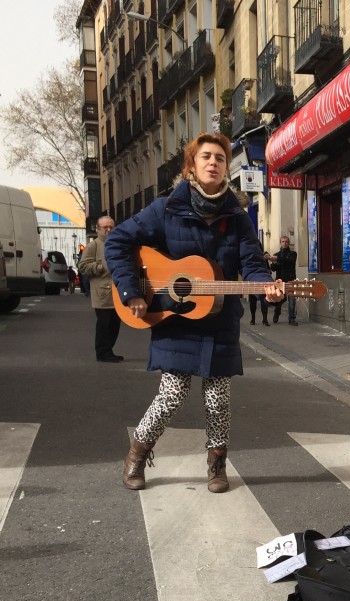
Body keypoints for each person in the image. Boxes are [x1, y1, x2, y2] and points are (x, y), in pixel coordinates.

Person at [105, 132, 283, 494]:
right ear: (193, 165)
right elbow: (118, 241)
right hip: (175, 316)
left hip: (220, 321)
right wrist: (130, 291)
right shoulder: (167, 207)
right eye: (206, 157)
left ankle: (216, 465)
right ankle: (137, 455)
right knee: (170, 397)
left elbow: (251, 263)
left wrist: (267, 287)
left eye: (220, 157)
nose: (214, 162)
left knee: (218, 401)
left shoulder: (237, 216)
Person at [77, 215, 123, 363]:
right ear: (98, 229)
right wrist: (100, 267)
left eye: (111, 227)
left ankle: (109, 350)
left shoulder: (118, 243)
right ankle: (102, 352)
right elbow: (83, 266)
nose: (109, 230)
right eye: (105, 228)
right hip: (102, 293)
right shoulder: (94, 246)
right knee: (104, 324)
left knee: (115, 324)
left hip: (117, 292)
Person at [268, 235, 297, 325]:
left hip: (290, 280)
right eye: (283, 241)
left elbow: (289, 262)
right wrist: (273, 262)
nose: (284, 243)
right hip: (280, 281)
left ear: (288, 243)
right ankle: (277, 313)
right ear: (280, 243)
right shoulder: (276, 255)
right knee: (278, 300)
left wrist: (277, 259)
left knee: (292, 301)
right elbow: (273, 268)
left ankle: (291, 319)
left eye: (286, 242)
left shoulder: (292, 254)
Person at [249, 251, 272, 326]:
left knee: (264, 301)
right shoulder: (250, 258)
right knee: (252, 302)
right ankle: (253, 318)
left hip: (262, 282)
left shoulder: (263, 258)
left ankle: (265, 319)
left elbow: (268, 269)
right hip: (252, 282)